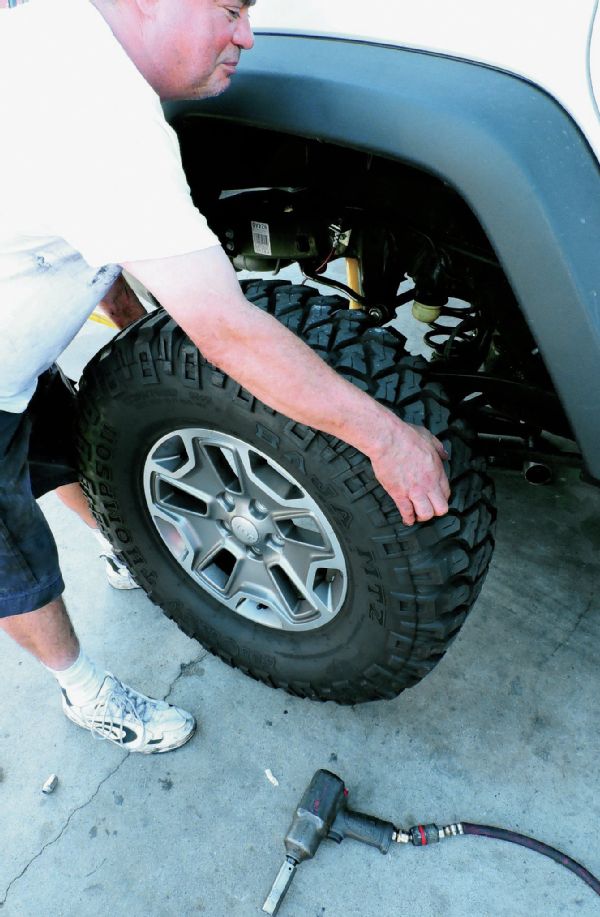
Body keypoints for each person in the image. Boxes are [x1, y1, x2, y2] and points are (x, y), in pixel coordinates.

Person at [0, 0, 450, 755]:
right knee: (11, 554)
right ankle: (83, 687)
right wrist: (388, 438)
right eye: (230, 9)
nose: (246, 33)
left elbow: (100, 241)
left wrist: (142, 331)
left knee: (54, 449)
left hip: (16, 340)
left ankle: (122, 543)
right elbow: (230, 331)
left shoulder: (54, 32)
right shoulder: (99, 116)